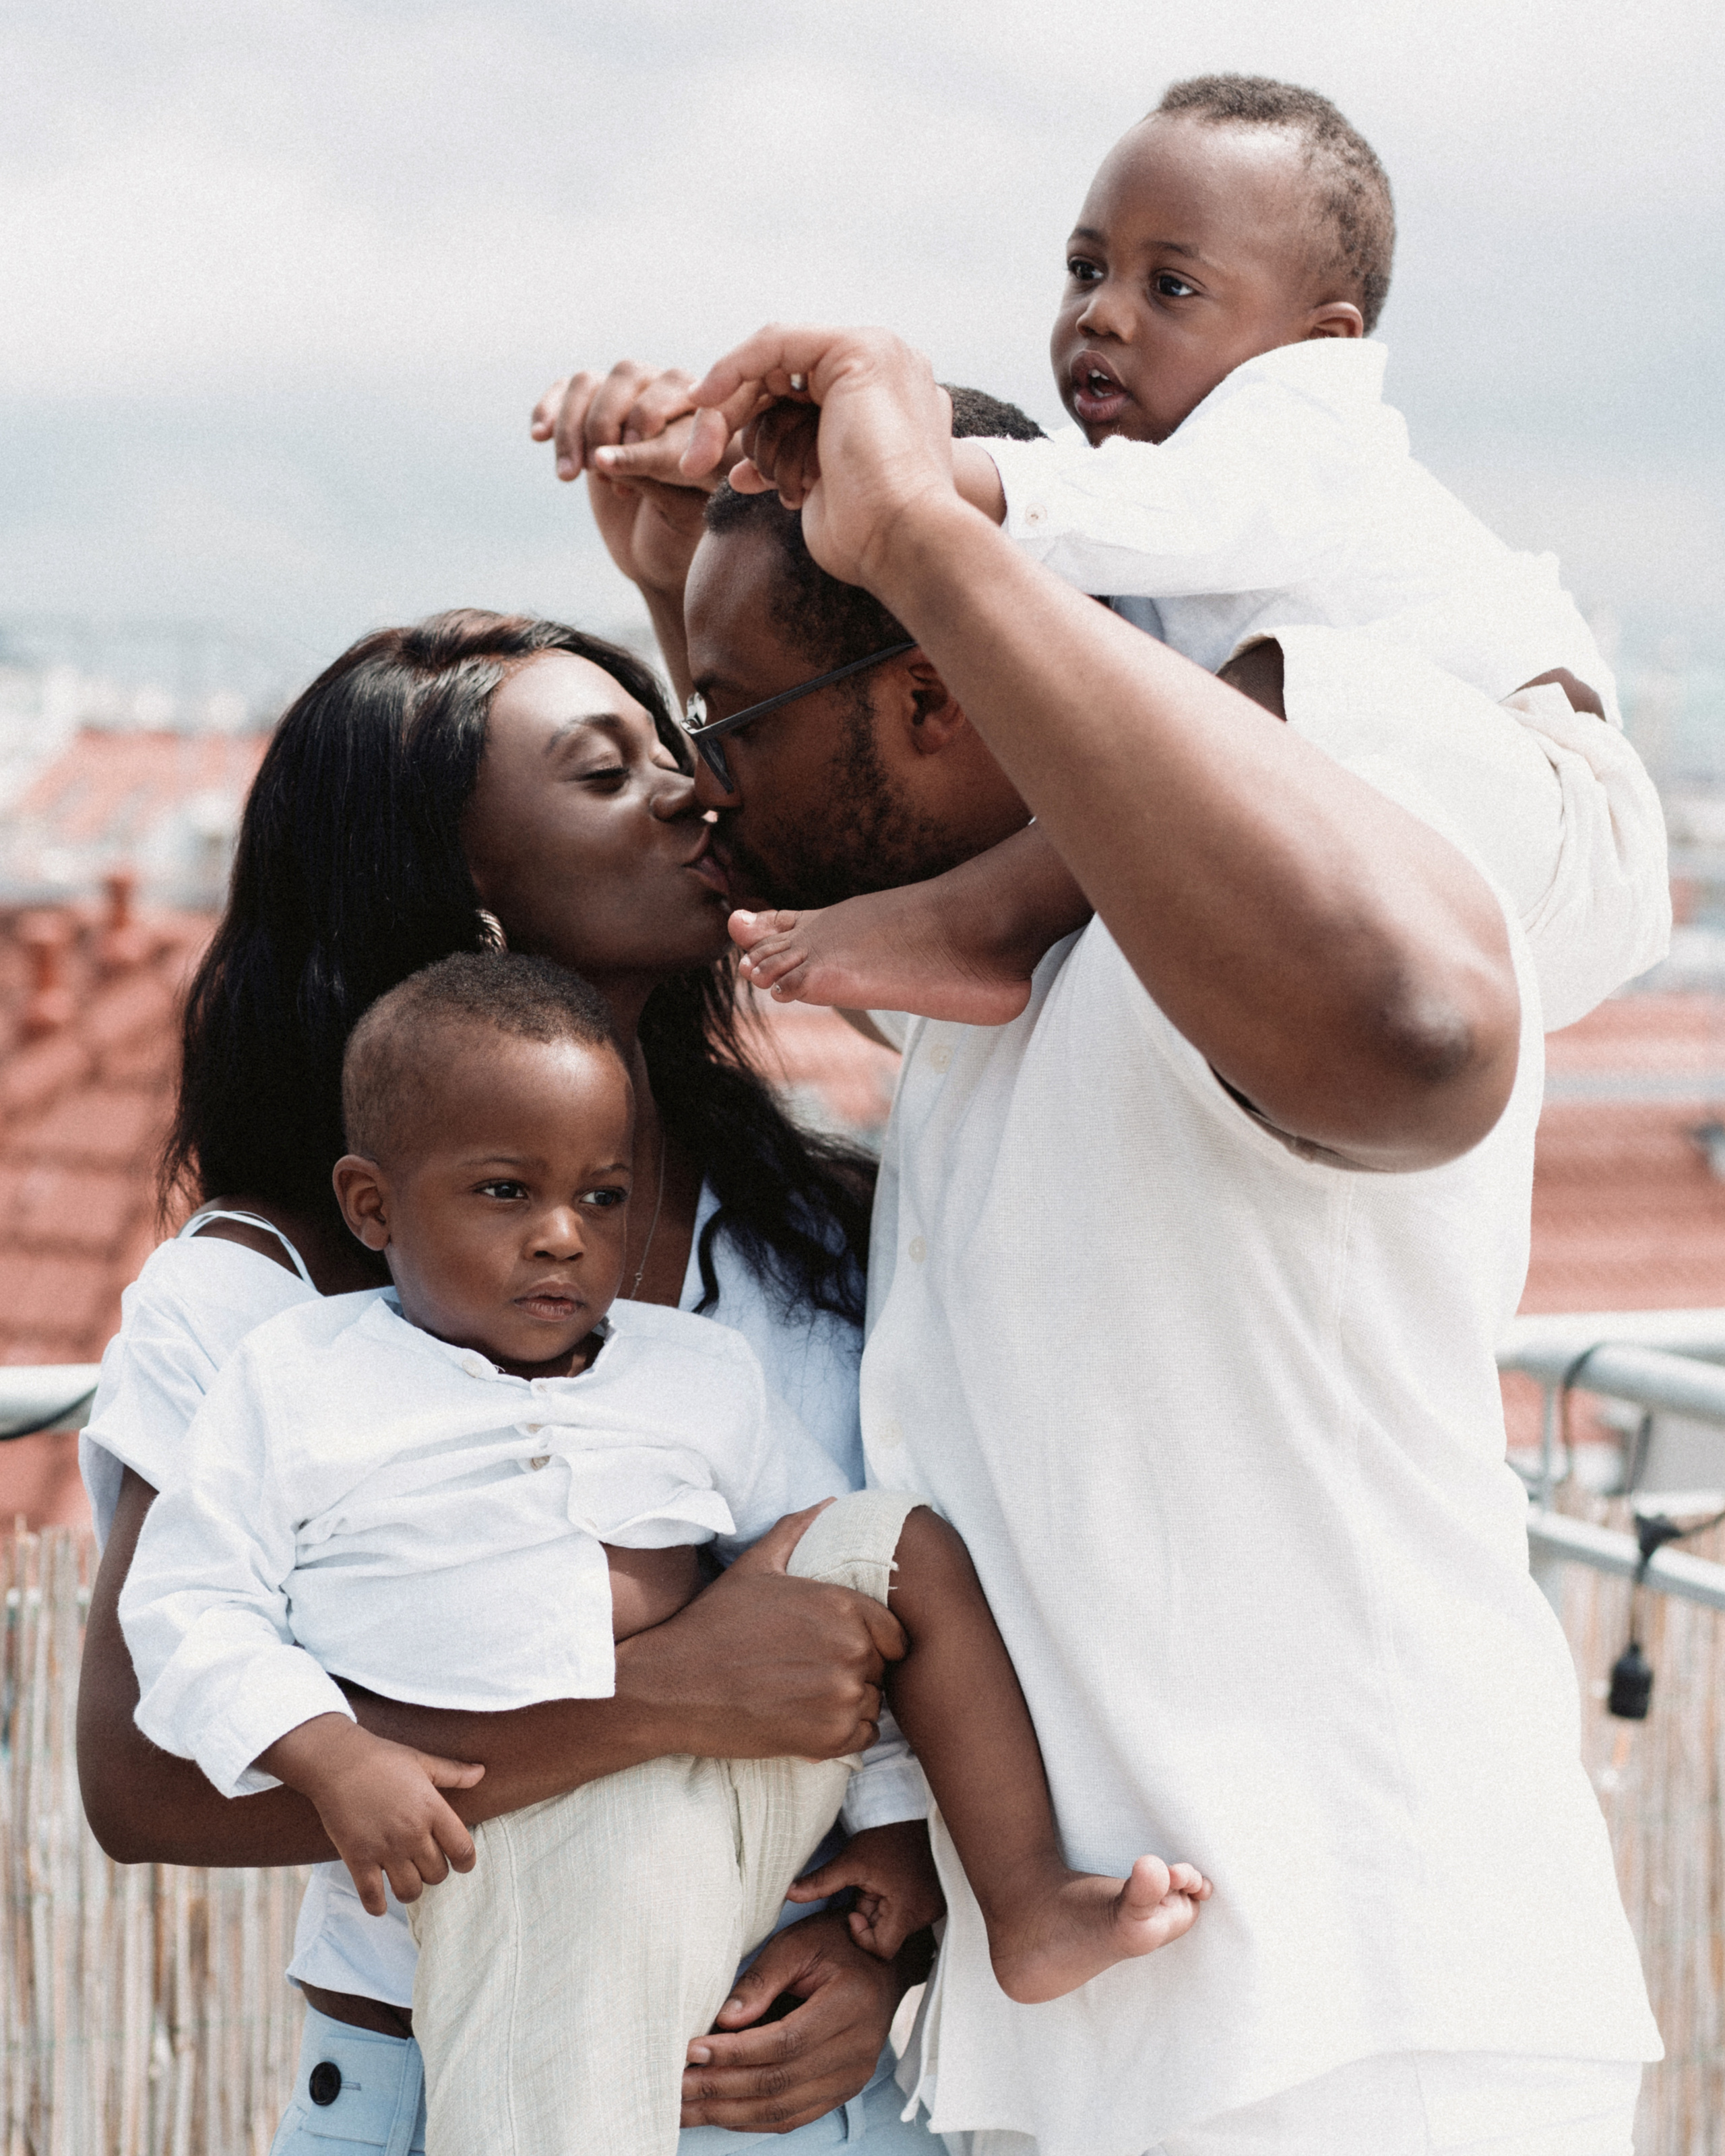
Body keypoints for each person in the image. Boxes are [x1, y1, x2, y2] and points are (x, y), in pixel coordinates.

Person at [646, 322, 1659, 2153]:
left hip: (1358, 2037)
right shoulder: (994, 985)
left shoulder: (1216, 950)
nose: (700, 773)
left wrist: (925, 544)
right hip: (1125, 2050)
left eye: (723, 719)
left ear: (941, 698)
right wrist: (692, 552)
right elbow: (828, 783)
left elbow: (1426, 1034)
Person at [76, 612, 951, 2152]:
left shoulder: (813, 1226)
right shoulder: (259, 1295)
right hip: (440, 2082)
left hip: (807, 2083)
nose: (691, 792)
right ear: (464, 890)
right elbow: (144, 1778)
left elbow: (927, 1632)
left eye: (670, 748)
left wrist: (884, 1945)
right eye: (605, 775)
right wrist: (656, 1698)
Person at [121, 951, 1210, 2155]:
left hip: (738, 1810)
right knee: (558, 2091)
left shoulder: (696, 1374)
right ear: (374, 1205)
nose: (561, 1239)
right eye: (503, 1194)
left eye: (601, 1197)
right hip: (513, 1838)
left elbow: (837, 1604)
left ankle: (1028, 1901)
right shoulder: (302, 1378)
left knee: (891, 1541)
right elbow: (188, 1603)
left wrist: (897, 1824)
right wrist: (332, 1756)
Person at [567, 76, 1666, 1036]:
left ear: (1320, 343)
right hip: (1375, 858)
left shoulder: (1308, 434)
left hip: (1565, 834)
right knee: (1144, 718)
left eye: (1170, 286)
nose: (1106, 315)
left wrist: (921, 477)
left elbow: (1181, 512)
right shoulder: (1134, 512)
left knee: (1244, 709)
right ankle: (978, 920)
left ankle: (981, 924)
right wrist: (763, 483)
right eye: (1086, 269)